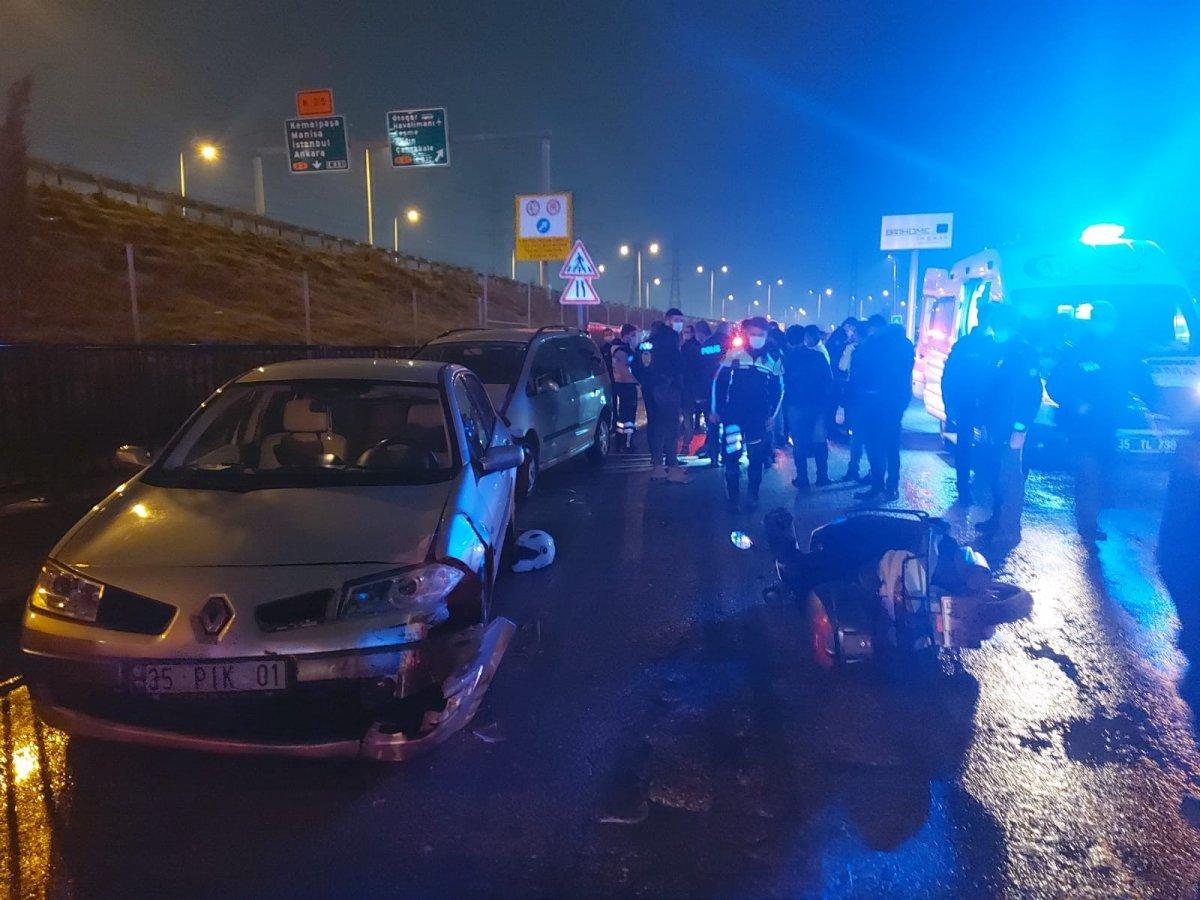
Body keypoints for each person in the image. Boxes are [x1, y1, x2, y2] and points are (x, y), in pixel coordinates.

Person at [1046, 301, 1152, 543]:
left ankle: (1093, 515)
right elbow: (1056, 384)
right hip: (1082, 427)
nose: (1105, 326)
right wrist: (1076, 403)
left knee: (1105, 473)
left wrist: (1153, 408)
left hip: (1108, 425)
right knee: (1088, 473)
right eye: (1101, 321)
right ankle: (1087, 524)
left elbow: (1139, 381)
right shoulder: (1078, 352)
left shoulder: (1120, 351)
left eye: (1109, 321)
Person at [972, 306, 1042, 547]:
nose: (995, 330)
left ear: (1009, 327)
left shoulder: (1024, 354)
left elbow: (1031, 394)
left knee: (1010, 480)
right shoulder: (997, 351)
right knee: (994, 476)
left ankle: (1009, 530)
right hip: (994, 425)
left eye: (998, 326)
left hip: (1012, 428)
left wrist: (1020, 427)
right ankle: (997, 520)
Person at [713, 316, 783, 510]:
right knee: (732, 456)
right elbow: (718, 383)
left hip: (758, 418)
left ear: (767, 335)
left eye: (760, 334)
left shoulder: (773, 358)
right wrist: (715, 410)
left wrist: (772, 417)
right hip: (733, 416)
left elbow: (780, 390)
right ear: (745, 333)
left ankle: (753, 495)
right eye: (752, 333)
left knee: (756, 458)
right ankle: (733, 497)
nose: (756, 337)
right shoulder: (733, 354)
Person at [853, 315, 915, 501]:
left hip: (874, 401)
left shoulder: (874, 344)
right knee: (891, 445)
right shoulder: (904, 344)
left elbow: (862, 373)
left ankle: (878, 484)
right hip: (894, 402)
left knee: (874, 445)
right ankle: (891, 486)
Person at [940, 308, 997, 505]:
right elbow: (949, 376)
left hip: (990, 407)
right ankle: (963, 489)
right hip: (966, 404)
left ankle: (985, 487)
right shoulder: (964, 345)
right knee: (964, 447)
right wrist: (949, 405)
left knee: (991, 447)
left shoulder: (997, 346)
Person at [638, 309, 690, 483]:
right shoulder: (671, 339)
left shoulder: (648, 342)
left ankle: (658, 467)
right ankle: (673, 469)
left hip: (651, 390)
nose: (679, 324)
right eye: (677, 320)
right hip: (668, 389)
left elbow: (637, 365)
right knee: (671, 428)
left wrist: (647, 383)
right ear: (668, 321)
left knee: (656, 426)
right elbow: (678, 364)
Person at [782, 324, 833, 490]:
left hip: (796, 405)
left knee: (799, 442)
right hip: (818, 406)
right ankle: (822, 476)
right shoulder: (818, 357)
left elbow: (784, 383)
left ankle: (802, 478)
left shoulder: (788, 358)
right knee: (819, 440)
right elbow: (828, 381)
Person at [698, 320, 732, 466]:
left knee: (712, 424)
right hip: (727, 387)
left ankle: (713, 457)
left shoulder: (707, 344)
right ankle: (726, 456)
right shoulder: (732, 343)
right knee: (728, 422)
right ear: (728, 331)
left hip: (709, 387)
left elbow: (700, 364)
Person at [680, 320, 712, 456]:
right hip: (700, 389)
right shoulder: (701, 348)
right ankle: (709, 445)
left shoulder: (685, 347)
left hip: (687, 389)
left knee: (688, 419)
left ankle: (686, 445)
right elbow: (704, 369)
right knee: (707, 417)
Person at [610, 324, 640, 453]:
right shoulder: (621, 351)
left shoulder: (624, 349)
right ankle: (626, 443)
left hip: (624, 385)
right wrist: (639, 380)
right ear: (626, 335)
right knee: (627, 417)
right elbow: (625, 370)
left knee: (623, 417)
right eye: (633, 335)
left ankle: (622, 442)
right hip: (626, 385)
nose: (635, 338)